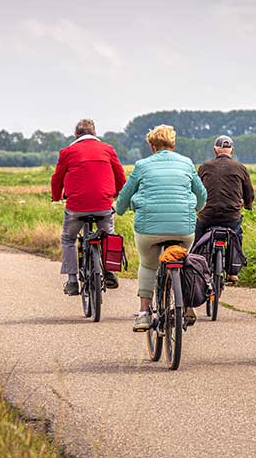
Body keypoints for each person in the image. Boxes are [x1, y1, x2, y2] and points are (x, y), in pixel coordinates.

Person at [115, 124, 207, 331]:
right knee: (183, 260)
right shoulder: (186, 163)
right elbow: (202, 195)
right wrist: (196, 208)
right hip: (183, 228)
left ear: (152, 146)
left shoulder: (142, 165)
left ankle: (144, 313)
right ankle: (187, 305)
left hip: (149, 230)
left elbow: (124, 196)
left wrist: (119, 209)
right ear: (173, 144)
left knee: (148, 265)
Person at [51, 118, 126, 296]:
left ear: (76, 135)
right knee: (109, 236)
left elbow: (57, 178)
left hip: (76, 207)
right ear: (94, 134)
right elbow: (120, 177)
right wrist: (114, 194)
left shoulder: (67, 152)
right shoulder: (108, 150)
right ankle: (110, 271)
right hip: (103, 204)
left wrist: (56, 196)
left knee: (68, 239)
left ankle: (71, 280)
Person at [194, 135, 255, 282]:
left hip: (207, 216)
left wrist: (196, 207)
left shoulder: (204, 167)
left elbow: (195, 191)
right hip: (231, 218)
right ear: (231, 150)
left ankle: (195, 267)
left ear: (215, 150)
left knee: (197, 238)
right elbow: (249, 193)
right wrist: (247, 205)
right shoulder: (241, 168)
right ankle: (233, 271)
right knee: (237, 234)